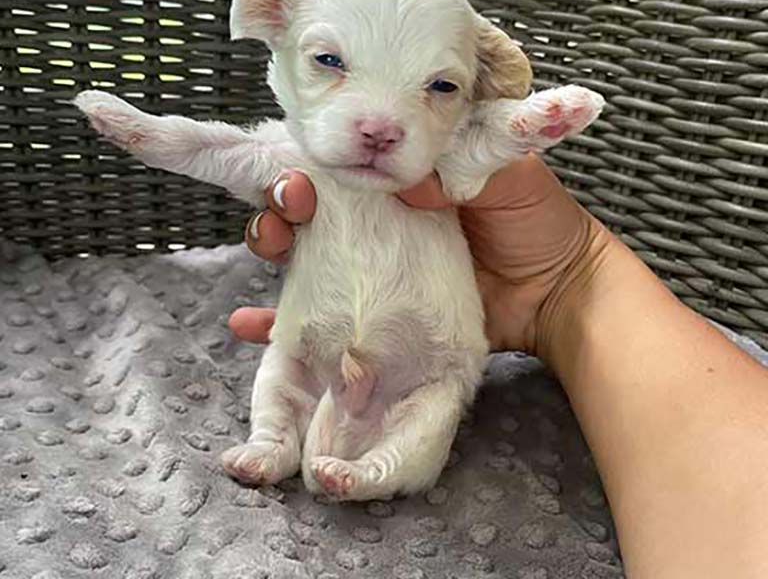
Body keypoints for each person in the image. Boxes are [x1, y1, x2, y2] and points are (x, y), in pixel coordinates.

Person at [229, 156, 768, 578]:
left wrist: (568, 273)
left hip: (427, 357)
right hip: (377, 333)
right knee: (288, 346)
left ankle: (361, 465)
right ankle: (274, 439)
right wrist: (567, 276)